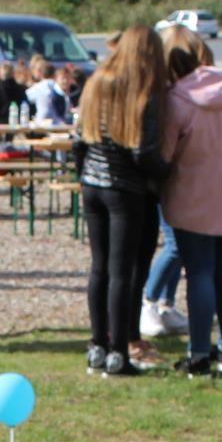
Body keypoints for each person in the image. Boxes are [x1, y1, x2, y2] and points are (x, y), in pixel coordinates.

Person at [159, 27, 222, 376]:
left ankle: (199, 352)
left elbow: (166, 152)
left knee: (199, 273)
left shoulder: (178, 99)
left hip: (194, 195)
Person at [75, 24, 169, 378]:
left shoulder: (98, 80)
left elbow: (78, 138)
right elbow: (142, 152)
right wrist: (168, 170)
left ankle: (97, 345)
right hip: (123, 188)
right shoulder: (142, 91)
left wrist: (83, 173)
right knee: (121, 272)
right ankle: (119, 353)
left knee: (98, 268)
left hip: (92, 184)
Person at [26, 60, 76, 127]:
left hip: (46, 125)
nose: (65, 81)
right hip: (46, 126)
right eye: (63, 78)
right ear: (55, 78)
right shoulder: (54, 91)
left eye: (68, 78)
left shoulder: (63, 94)